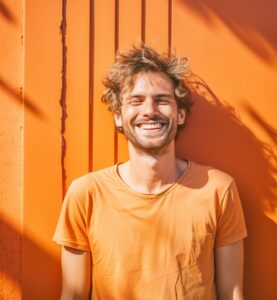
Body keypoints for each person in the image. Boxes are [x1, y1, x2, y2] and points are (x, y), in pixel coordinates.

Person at [53, 45, 247, 300]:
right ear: (118, 117)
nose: (149, 111)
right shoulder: (86, 195)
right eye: (136, 100)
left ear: (180, 114)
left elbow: (232, 295)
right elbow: (73, 296)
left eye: (162, 99)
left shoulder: (218, 189)